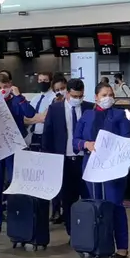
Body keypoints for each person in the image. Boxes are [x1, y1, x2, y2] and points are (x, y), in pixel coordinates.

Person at [73, 82, 130, 258]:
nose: (108, 97)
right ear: (96, 97)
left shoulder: (120, 115)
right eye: (104, 94)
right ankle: (96, 243)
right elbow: (75, 140)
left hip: (113, 167)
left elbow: (127, 139)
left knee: (115, 205)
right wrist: (85, 144)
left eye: (110, 94)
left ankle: (122, 246)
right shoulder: (87, 115)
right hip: (91, 166)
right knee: (94, 204)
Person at [42, 78, 93, 235]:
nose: (78, 99)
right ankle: (73, 233)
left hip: (85, 160)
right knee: (68, 200)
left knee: (88, 198)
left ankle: (89, 233)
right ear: (67, 94)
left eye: (80, 96)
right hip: (64, 161)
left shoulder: (90, 108)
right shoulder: (55, 109)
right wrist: (49, 161)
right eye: (74, 96)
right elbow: (48, 136)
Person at [0, 72, 34, 234]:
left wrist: (19, 96)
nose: (3, 90)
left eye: (6, 87)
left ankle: (18, 218)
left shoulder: (16, 100)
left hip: (14, 147)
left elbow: (30, 113)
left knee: (16, 182)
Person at [26, 72, 55, 151]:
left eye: (45, 80)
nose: (42, 82)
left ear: (50, 82)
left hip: (46, 135)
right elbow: (24, 118)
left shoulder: (54, 98)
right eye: (40, 80)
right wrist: (39, 118)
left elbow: (45, 118)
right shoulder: (35, 99)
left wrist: (32, 119)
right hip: (32, 135)